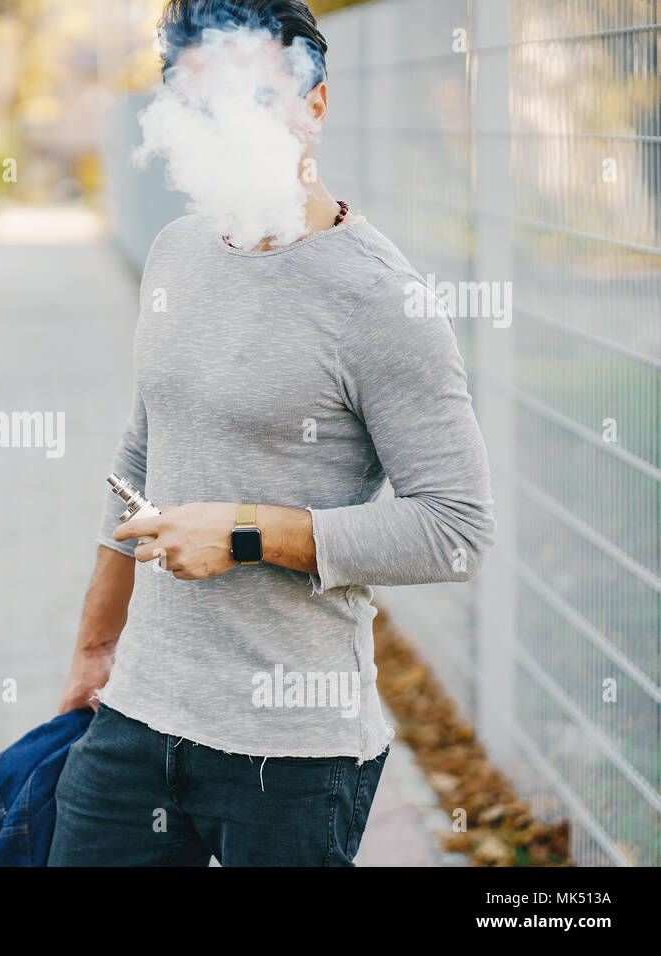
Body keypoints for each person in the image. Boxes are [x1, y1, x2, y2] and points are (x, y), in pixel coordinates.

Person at [48, 0, 495, 866]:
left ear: (315, 104)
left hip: (292, 754)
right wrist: (95, 648)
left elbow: (457, 529)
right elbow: (138, 456)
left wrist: (246, 534)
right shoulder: (178, 251)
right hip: (135, 720)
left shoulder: (381, 301)